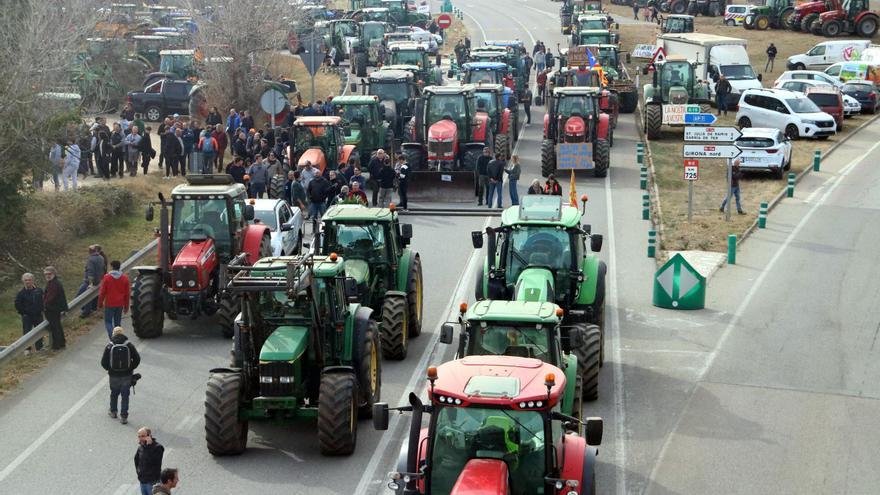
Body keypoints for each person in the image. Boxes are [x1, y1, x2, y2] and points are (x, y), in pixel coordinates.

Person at [101, 327, 141, 424]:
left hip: (113, 375)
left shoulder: (109, 346)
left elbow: (103, 362)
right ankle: (124, 417)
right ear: (123, 333)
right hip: (126, 375)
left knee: (114, 393)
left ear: (113, 334)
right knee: (125, 395)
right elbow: (137, 359)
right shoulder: (129, 345)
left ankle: (113, 411)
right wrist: (131, 368)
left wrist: (109, 369)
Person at [98, 260, 130, 339]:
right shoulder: (125, 278)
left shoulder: (107, 277)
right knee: (117, 323)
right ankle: (118, 338)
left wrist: (100, 303)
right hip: (120, 304)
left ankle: (112, 338)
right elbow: (127, 294)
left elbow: (102, 292)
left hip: (109, 303)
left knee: (108, 322)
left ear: (112, 267)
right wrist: (126, 306)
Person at [15, 273, 44, 353]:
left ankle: (39, 347)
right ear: (23, 281)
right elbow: (17, 304)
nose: (27, 282)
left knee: (39, 331)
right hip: (27, 316)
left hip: (38, 315)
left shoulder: (39, 290)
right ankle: (27, 349)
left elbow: (43, 301)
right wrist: (24, 313)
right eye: (25, 280)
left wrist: (41, 309)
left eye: (29, 280)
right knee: (27, 332)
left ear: (33, 280)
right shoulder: (21, 293)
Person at [42, 266, 68, 350]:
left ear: (53, 274)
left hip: (53, 309)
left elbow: (51, 297)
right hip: (55, 308)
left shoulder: (53, 284)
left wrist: (44, 304)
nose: (47, 276)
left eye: (49, 274)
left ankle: (57, 345)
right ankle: (61, 343)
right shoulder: (53, 282)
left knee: (55, 327)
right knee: (57, 326)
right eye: (46, 274)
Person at [77, 245, 106, 318]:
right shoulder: (101, 258)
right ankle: (93, 309)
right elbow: (103, 269)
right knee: (94, 296)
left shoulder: (91, 259)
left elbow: (90, 272)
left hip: (89, 282)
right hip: (98, 280)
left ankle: (86, 312)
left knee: (80, 296)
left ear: (89, 251)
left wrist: (90, 283)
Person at [135, 428, 164, 495]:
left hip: (152, 483)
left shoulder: (158, 448)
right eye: (139, 436)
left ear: (149, 436)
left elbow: (153, 461)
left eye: (143, 436)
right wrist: (139, 473)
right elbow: (136, 460)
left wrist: (149, 446)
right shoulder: (141, 447)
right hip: (143, 481)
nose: (140, 439)